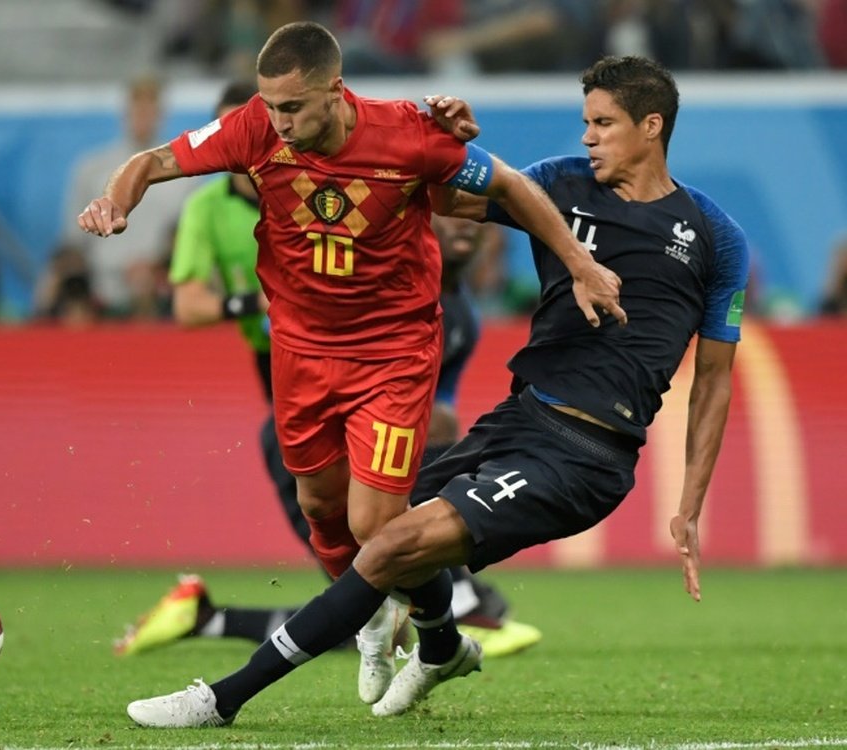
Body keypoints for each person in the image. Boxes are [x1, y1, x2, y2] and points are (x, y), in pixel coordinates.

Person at [119, 53, 750, 728]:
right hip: (521, 419)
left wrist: (689, 504)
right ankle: (444, 646)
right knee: (379, 530)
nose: (588, 136)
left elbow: (713, 379)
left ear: (652, 126)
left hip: (587, 457)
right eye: (585, 122)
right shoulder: (562, 184)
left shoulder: (716, 238)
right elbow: (447, 195)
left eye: (604, 123)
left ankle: (223, 698)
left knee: (388, 549)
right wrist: (456, 142)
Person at [112, 81, 540, 660]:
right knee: (352, 554)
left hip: (374, 377)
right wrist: (254, 304)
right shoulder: (211, 209)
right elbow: (186, 306)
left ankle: (451, 610)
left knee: (379, 533)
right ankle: (446, 610)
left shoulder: (445, 302)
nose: (270, 129)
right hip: (291, 383)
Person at [62, 74, 201, 317]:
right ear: (126, 111)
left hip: (161, 293)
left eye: (150, 108)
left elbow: (189, 237)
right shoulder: (92, 169)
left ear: (160, 113)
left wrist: (156, 267)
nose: (143, 116)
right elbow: (74, 238)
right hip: (102, 291)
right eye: (138, 107)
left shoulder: (185, 172)